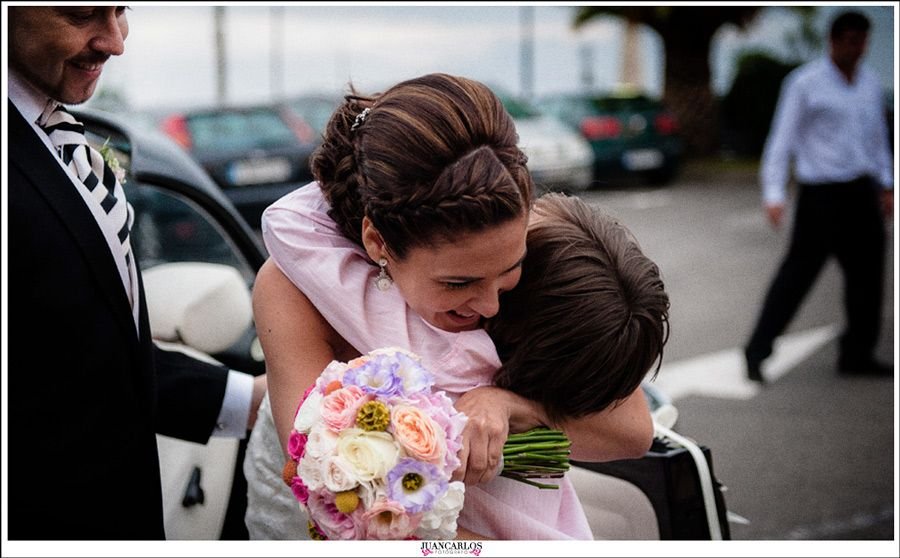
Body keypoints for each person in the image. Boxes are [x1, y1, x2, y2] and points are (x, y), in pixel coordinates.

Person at [244, 74, 664, 539]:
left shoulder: (506, 224)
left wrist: (509, 403)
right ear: (377, 240)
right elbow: (338, 487)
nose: (490, 305)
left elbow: (631, 429)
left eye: (511, 269)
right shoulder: (292, 289)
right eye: (457, 282)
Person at [7, 6, 266, 540]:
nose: (115, 41)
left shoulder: (50, 134)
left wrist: (252, 401)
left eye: (120, 10)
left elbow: (76, 356)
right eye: (81, 13)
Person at [744, 10, 894, 383]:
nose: (857, 49)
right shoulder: (805, 84)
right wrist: (775, 193)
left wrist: (887, 184)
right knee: (796, 276)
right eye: (850, 41)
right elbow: (782, 140)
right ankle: (757, 350)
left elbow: (877, 142)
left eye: (863, 42)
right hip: (821, 196)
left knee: (867, 279)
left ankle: (858, 353)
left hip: (861, 191)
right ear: (834, 40)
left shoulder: (870, 84)